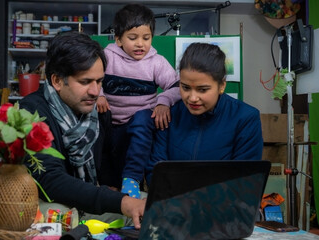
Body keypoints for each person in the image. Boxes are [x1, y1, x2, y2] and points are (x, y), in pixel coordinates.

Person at [19, 31, 145, 229]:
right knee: (58, 216)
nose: (95, 92)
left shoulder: (98, 111)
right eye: (85, 82)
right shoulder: (31, 112)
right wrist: (121, 201)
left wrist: (117, 191)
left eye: (99, 81)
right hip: (51, 206)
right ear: (57, 81)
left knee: (153, 204)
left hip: (90, 202)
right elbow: (50, 179)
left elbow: (105, 164)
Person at [146, 42, 264, 185]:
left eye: (203, 90)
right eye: (185, 87)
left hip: (223, 205)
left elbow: (245, 180)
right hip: (174, 204)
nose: (192, 98)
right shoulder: (169, 116)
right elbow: (155, 172)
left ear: (222, 86)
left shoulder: (245, 118)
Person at [96, 3, 181, 198]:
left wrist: (163, 102)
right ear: (118, 39)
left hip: (139, 122)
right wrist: (99, 94)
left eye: (146, 38)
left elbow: (177, 86)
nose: (140, 44)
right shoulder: (107, 57)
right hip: (110, 121)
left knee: (143, 120)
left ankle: (132, 179)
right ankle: (108, 185)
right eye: (132, 38)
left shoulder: (156, 62)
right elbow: (93, 77)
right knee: (98, 131)